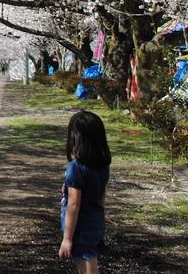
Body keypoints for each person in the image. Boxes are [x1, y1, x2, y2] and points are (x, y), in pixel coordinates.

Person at [59, 110, 111, 273]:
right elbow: (101, 193)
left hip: (81, 224)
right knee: (88, 257)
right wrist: (101, 216)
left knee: (87, 262)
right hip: (95, 218)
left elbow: (74, 204)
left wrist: (67, 239)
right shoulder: (102, 164)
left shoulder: (76, 167)